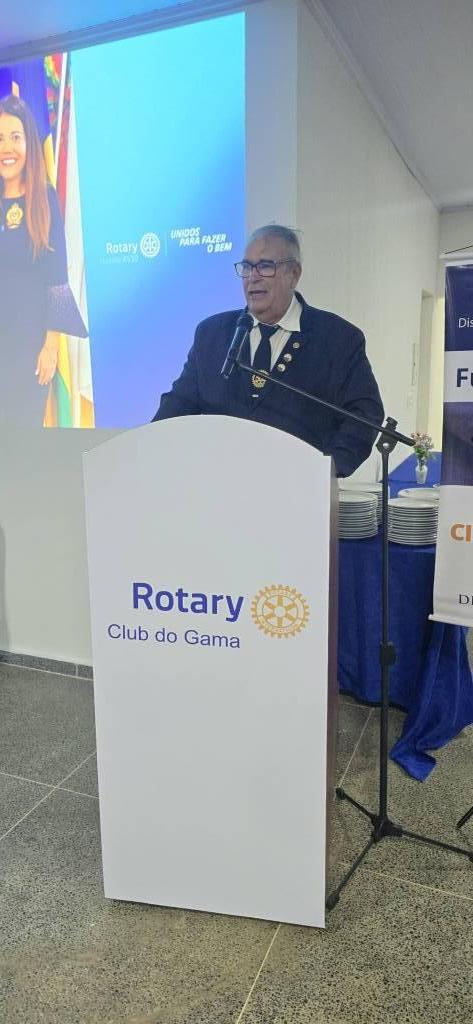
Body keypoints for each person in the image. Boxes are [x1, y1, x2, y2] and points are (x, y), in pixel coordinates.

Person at [153, 224, 383, 476]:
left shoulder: (337, 339)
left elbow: (365, 415)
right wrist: (145, 448)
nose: (253, 277)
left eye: (265, 266)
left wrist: (326, 469)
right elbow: (179, 405)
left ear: (293, 274)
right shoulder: (212, 334)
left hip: (299, 489)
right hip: (219, 485)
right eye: (247, 267)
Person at [0, 94, 87, 427]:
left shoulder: (43, 196)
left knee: (22, 438)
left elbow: (56, 277)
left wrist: (50, 346)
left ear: (29, 143)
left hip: (30, 350)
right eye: (0, 138)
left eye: (15, 137)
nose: (7, 148)